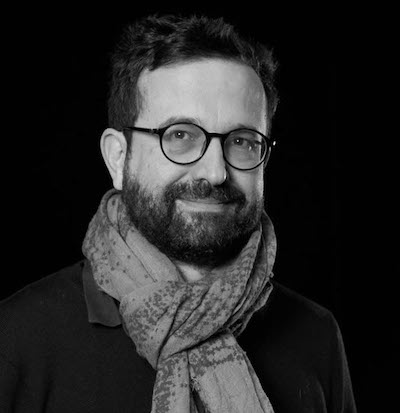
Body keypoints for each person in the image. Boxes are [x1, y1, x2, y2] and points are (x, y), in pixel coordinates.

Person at [0, 14, 356, 413]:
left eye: (242, 141)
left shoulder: (316, 337)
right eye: (181, 135)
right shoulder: (18, 339)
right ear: (118, 158)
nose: (216, 172)